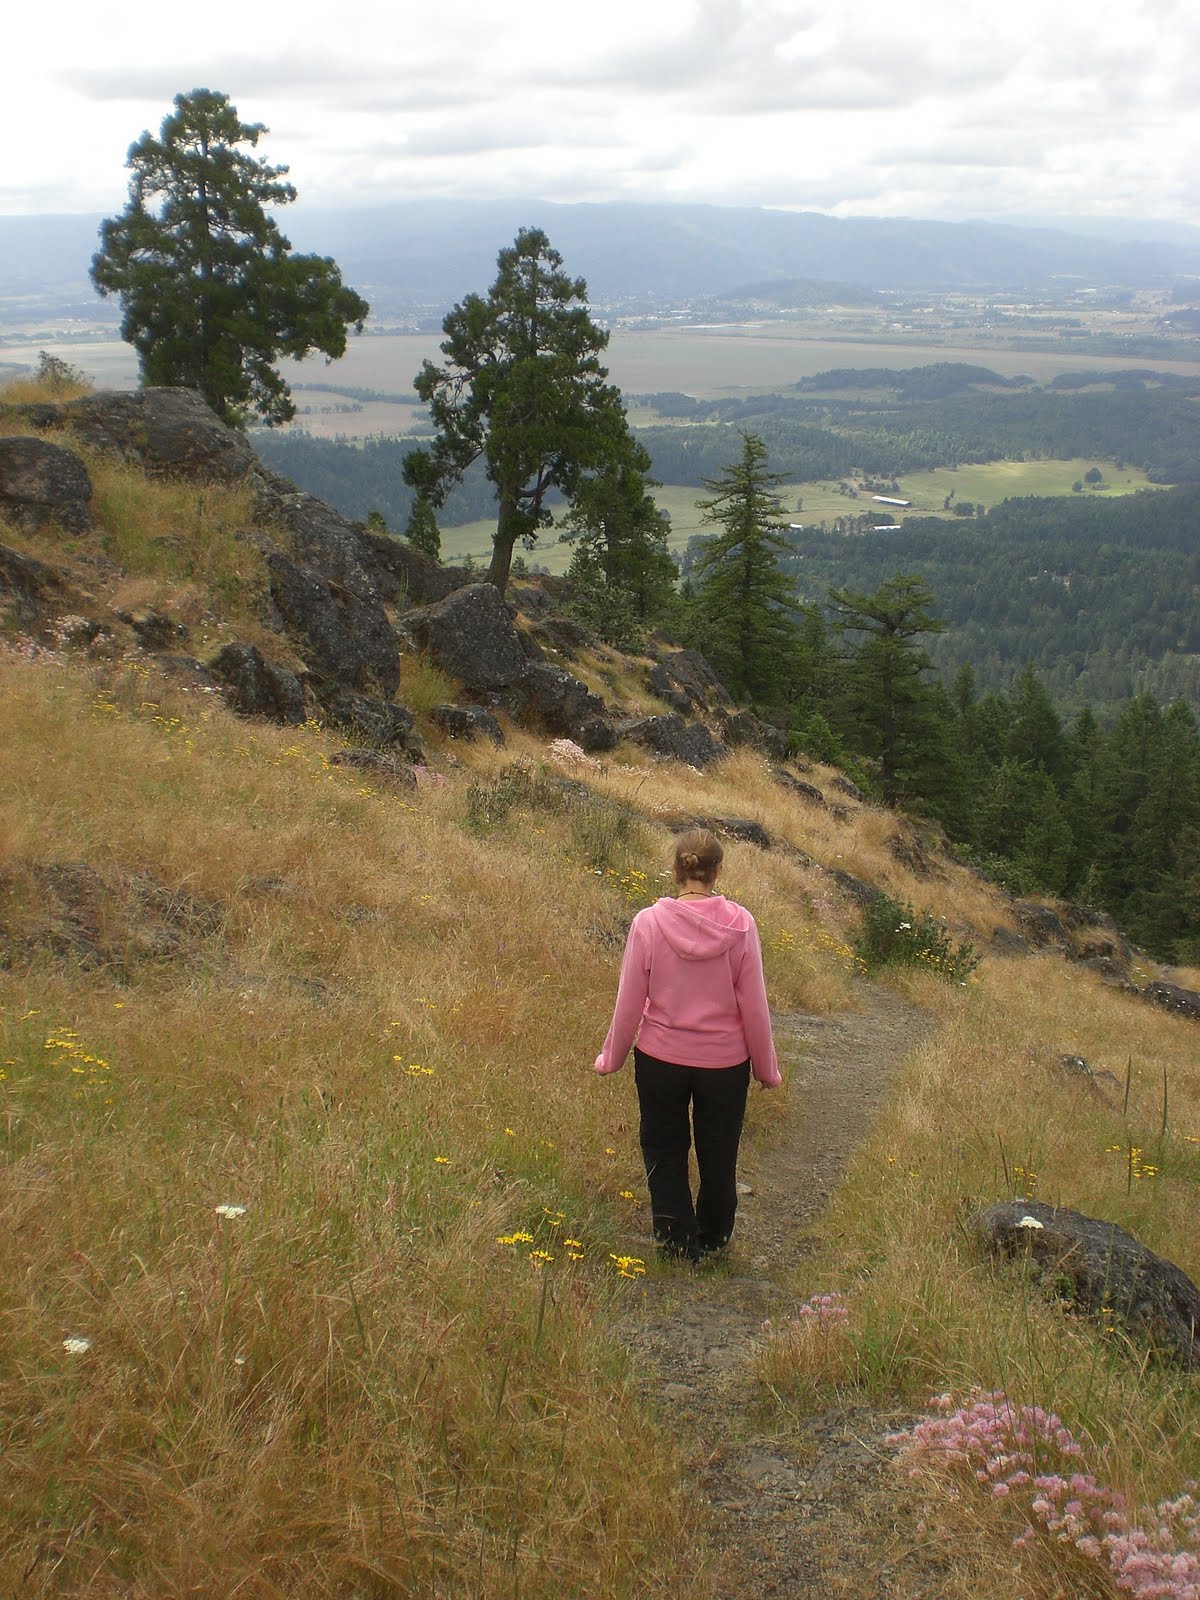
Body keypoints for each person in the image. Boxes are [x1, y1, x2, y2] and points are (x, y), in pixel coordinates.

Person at [594, 828, 782, 1261]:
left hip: (660, 1059)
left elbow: (629, 1001)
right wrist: (766, 1069)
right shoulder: (742, 924)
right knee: (720, 1149)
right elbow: (755, 1006)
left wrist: (611, 1058)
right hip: (724, 1065)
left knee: (664, 1147)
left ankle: (675, 1239)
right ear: (717, 871)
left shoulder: (648, 922)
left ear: (676, 868)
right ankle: (713, 1237)